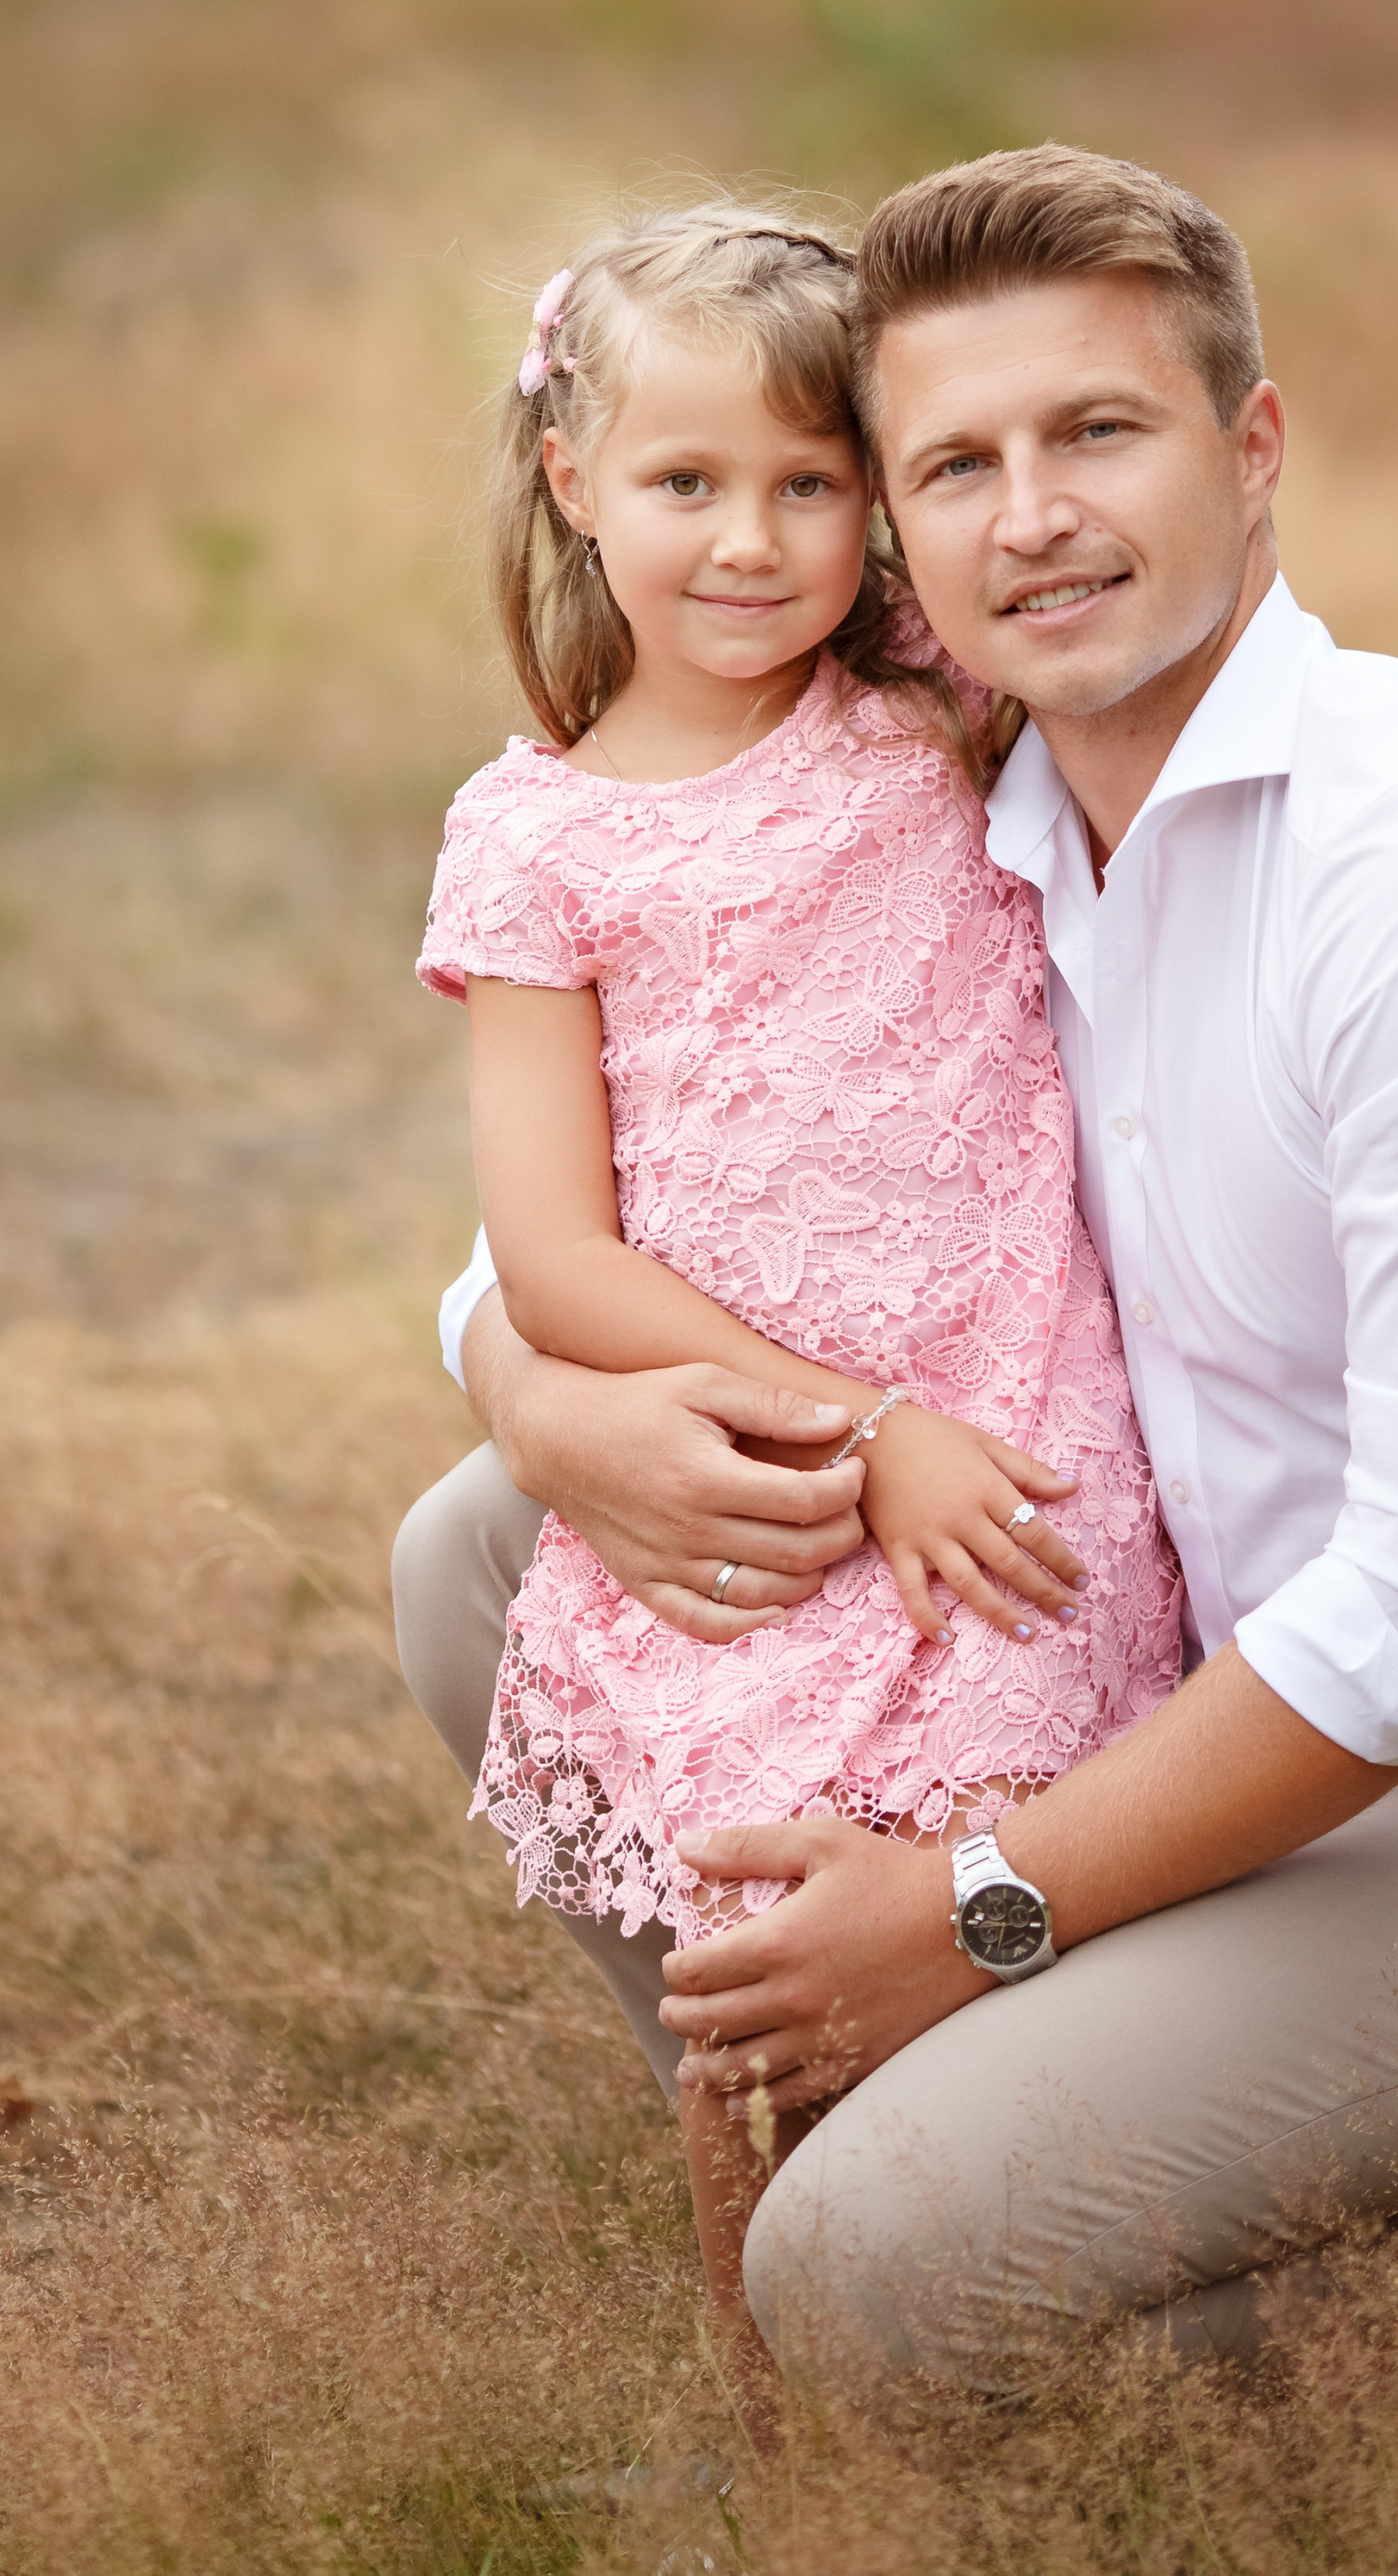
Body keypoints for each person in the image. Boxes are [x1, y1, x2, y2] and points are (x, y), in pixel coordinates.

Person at [395, 145, 1398, 2392]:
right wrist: (529, 1381)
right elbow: (668, 1210)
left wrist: (980, 1909)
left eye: (1099, 433)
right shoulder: (979, 819)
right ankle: (986, 2121)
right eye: (954, 466)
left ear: (1253, 451)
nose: (1034, 519)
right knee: (488, 1548)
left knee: (873, 2286)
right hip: (1199, 1668)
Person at [408, 204, 1179, 2361]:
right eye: (684, 483)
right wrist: (855, 1430)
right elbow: (554, 1258)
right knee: (751, 1981)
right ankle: (790, 2440)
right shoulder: (537, 839)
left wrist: (939, 1432)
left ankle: (1059, 2311)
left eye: (807, 482)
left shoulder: (926, 713)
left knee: (991, 1904)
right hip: (782, 1455)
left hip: (1017, 1420)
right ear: (573, 481)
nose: (750, 542)